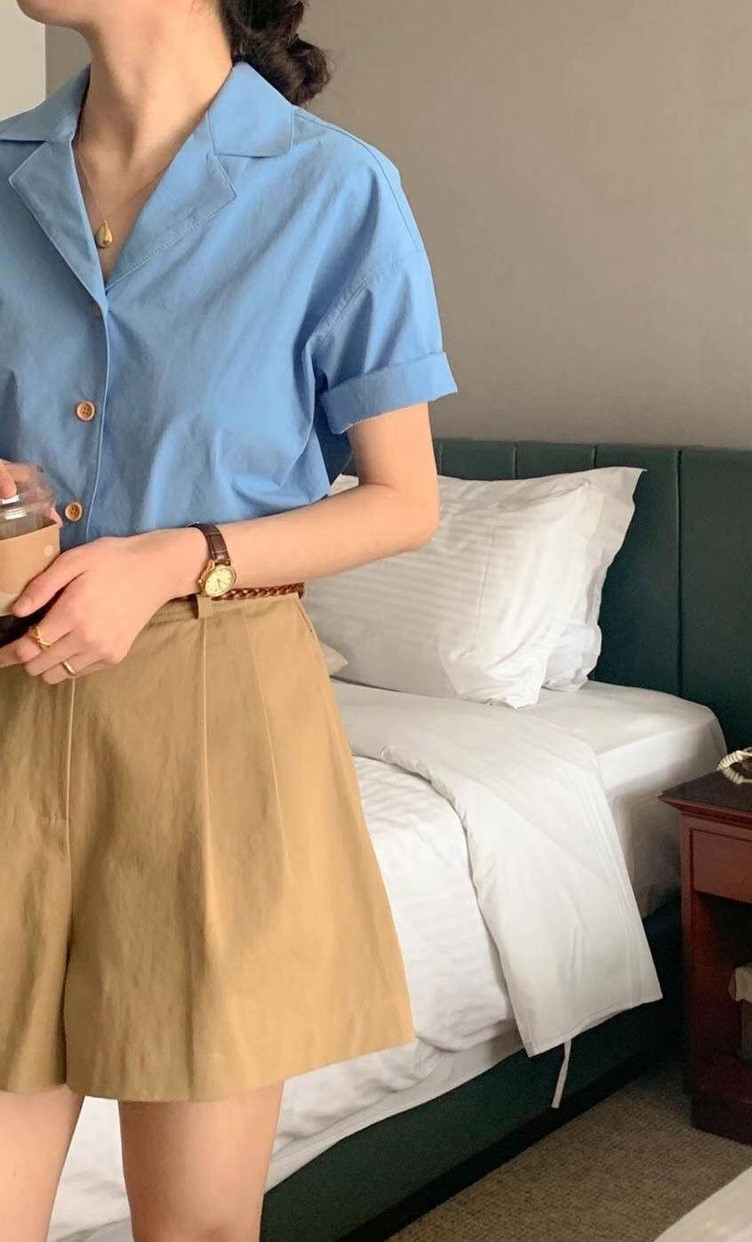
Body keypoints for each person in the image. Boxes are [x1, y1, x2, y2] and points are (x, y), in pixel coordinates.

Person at [0, 0, 458, 1237]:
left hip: (217, 725)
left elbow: (404, 502)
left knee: (194, 1226)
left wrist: (174, 558)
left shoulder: (335, 190)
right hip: (8, 704)